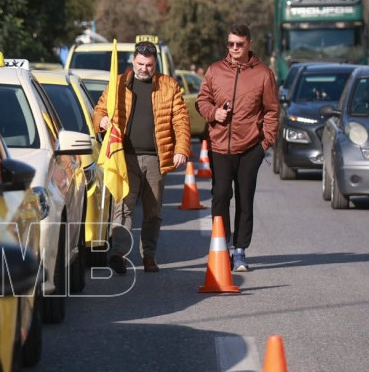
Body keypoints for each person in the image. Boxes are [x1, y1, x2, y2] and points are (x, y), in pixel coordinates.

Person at [93, 40, 192, 274]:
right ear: (133, 61)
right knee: (123, 208)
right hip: (124, 157)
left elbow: (180, 120)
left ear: (155, 63)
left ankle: (149, 255)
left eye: (148, 65)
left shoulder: (169, 86)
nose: (143, 69)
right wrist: (102, 121)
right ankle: (117, 253)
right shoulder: (117, 85)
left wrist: (181, 149)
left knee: (153, 212)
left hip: (156, 159)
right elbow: (98, 111)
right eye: (140, 64)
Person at [195, 24, 278, 272]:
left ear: (249, 44)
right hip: (219, 145)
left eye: (239, 44)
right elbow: (202, 100)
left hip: (250, 147)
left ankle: (240, 251)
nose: (234, 49)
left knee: (245, 199)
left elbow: (272, 111)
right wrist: (213, 113)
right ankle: (221, 245)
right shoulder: (215, 71)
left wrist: (265, 144)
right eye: (230, 44)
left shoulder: (263, 74)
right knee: (220, 194)